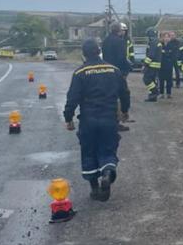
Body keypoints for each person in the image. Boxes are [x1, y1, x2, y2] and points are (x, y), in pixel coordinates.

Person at [64, 38, 130, 201]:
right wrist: (125, 110)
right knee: (108, 150)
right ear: (99, 51)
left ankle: (94, 188)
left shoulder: (80, 73)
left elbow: (72, 98)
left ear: (83, 54)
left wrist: (68, 117)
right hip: (109, 119)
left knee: (89, 152)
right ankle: (107, 174)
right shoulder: (114, 70)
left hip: (88, 120)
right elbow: (125, 92)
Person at [101, 21, 132, 131]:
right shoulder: (120, 42)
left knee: (108, 97)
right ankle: (118, 120)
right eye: (123, 30)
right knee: (122, 95)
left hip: (105, 71)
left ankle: (108, 120)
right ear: (119, 31)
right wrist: (125, 70)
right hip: (117, 72)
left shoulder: (105, 41)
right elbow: (121, 59)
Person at [142, 27, 163, 102]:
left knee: (146, 79)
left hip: (152, 65)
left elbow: (151, 55)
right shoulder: (157, 41)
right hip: (156, 65)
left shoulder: (153, 42)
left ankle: (155, 91)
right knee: (153, 81)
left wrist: (145, 64)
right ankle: (152, 97)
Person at [159, 31, 175, 98]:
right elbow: (159, 54)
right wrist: (166, 53)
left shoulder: (171, 45)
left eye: (167, 37)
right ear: (162, 38)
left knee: (169, 80)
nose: (166, 38)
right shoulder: (160, 45)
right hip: (161, 65)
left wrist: (165, 53)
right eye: (165, 37)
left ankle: (169, 93)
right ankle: (161, 93)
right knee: (161, 80)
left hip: (169, 65)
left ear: (169, 38)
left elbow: (172, 54)